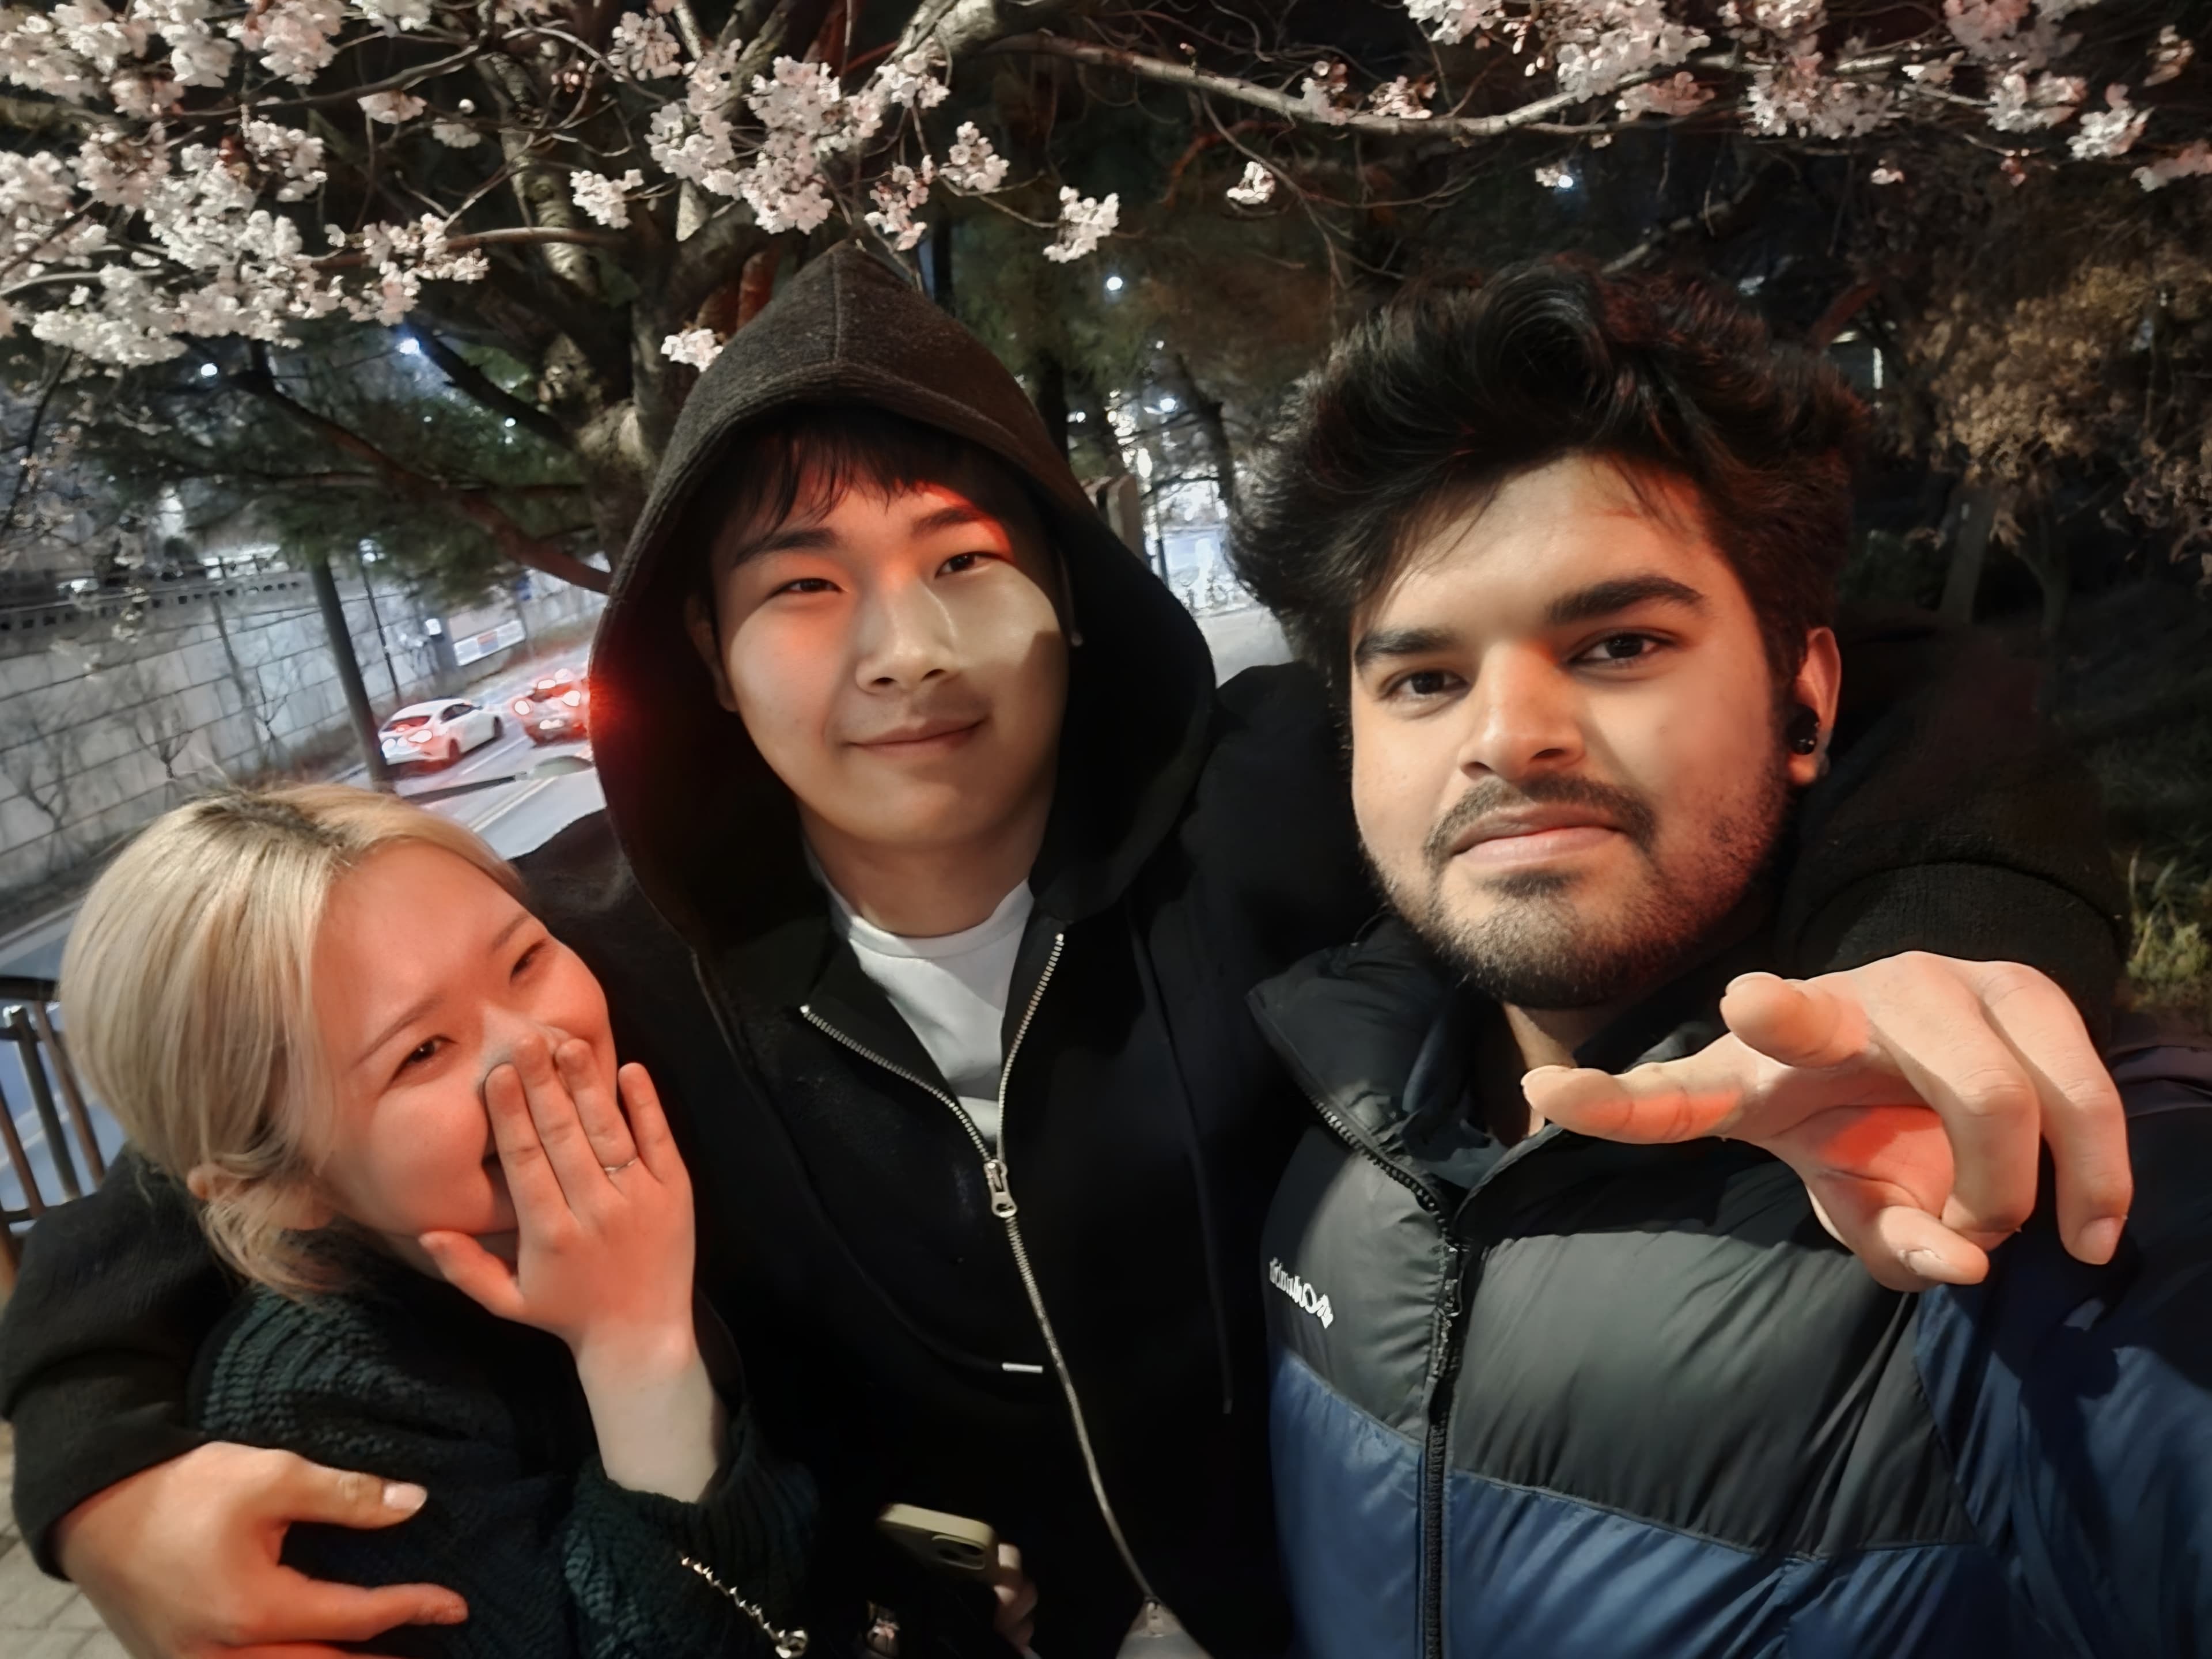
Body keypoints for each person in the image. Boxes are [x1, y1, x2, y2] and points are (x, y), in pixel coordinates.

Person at [0, 244, 2139, 1659]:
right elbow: (240, 1148)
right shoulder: (599, 946)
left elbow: (1888, 703)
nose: (908, 652)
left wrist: (1946, 944)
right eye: (805, 587)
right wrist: (92, 1474)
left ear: (1080, 595)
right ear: (707, 663)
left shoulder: (1289, 797)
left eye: (966, 560)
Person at [1232, 257, 2212, 1658]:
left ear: (1807, 698)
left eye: (1620, 642)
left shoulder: (1989, 1175)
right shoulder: (1341, 1128)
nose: (1509, 735)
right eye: (1424, 681)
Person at [51, 785, 822, 1658]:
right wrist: (631, 1343)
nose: (540, 1047)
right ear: (278, 1187)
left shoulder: (660, 1083)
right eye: (420, 1051)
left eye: (526, 961)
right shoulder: (329, 1417)